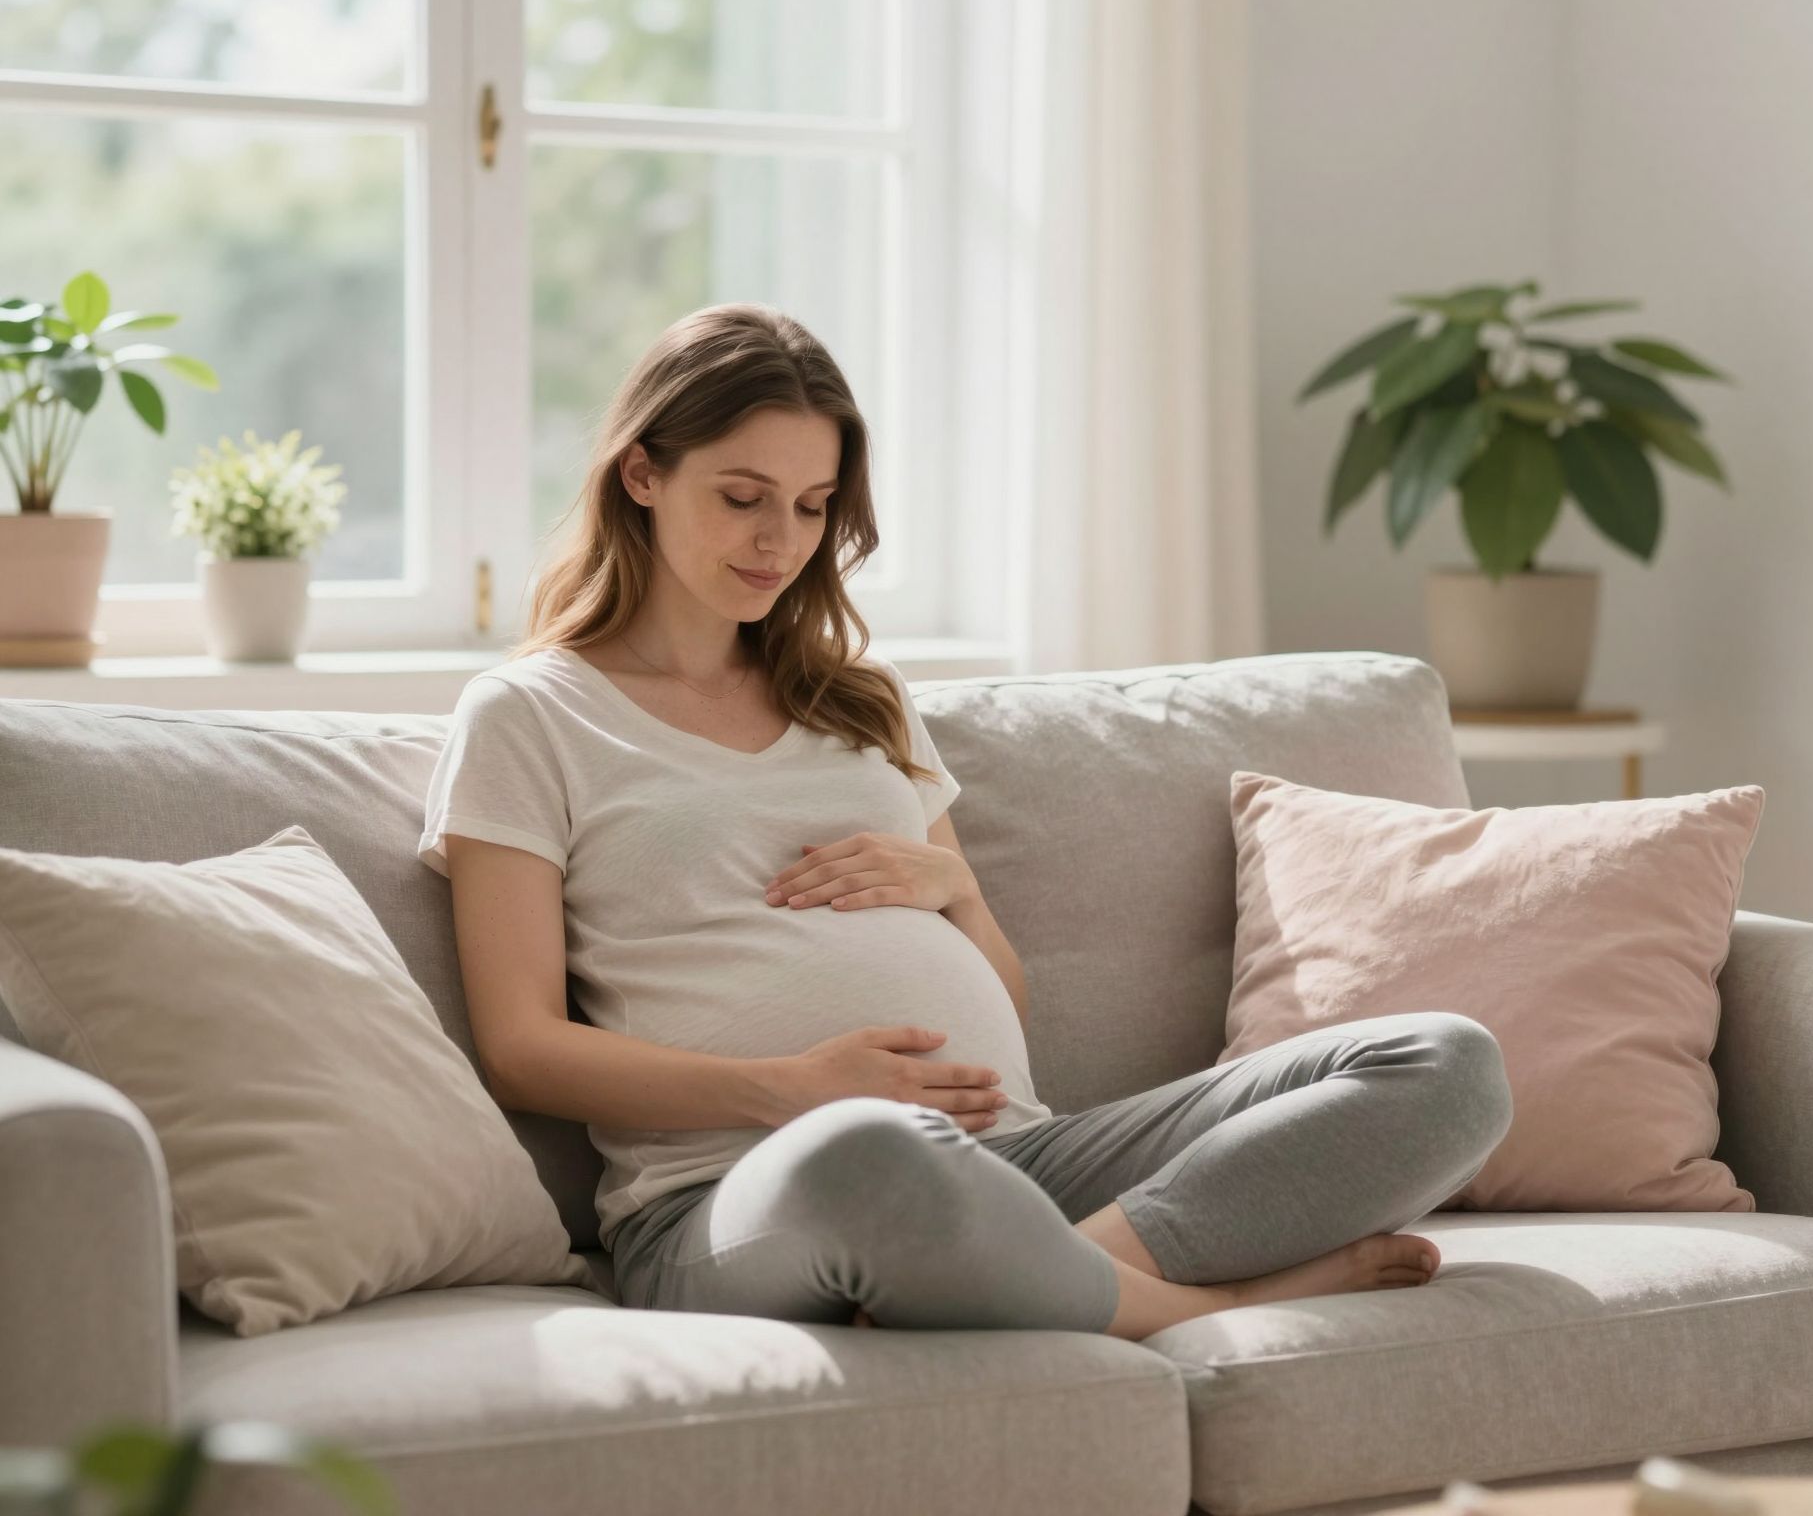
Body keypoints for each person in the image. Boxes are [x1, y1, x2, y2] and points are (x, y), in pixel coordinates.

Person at [417, 301, 1514, 1341]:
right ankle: (1197, 1308)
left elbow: (1004, 997)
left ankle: (1027, 1273)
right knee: (874, 1153)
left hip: (1014, 1160)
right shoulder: (527, 715)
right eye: (742, 497)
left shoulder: (858, 700)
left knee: (1445, 1064)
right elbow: (521, 1049)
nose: (779, 542)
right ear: (643, 474)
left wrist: (959, 894)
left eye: (811, 507)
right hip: (754, 1191)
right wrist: (786, 1088)